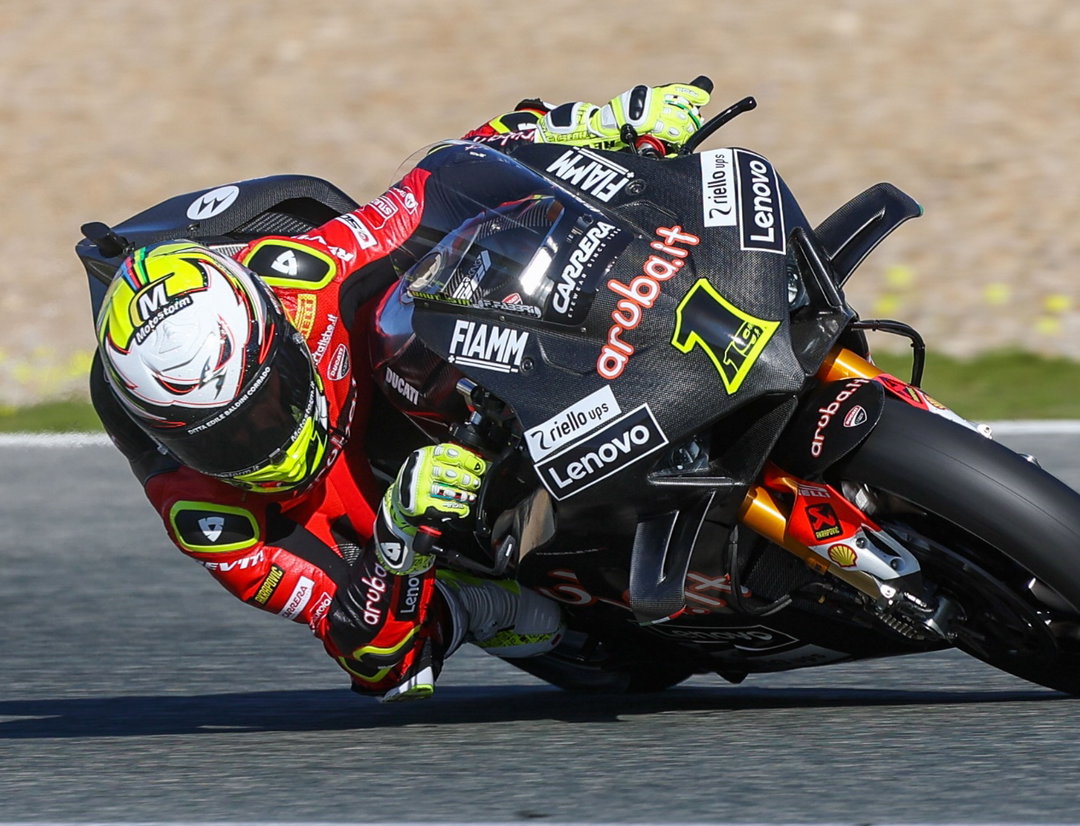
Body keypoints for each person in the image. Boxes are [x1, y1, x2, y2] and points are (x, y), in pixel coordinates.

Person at [89, 83, 713, 702]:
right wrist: (398, 534)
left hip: (454, 384)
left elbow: (440, 177)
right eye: (225, 441)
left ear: (282, 338)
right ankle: (491, 602)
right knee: (441, 643)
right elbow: (367, 657)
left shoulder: (304, 276)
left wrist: (601, 122)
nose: (261, 445)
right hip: (412, 540)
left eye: (266, 405)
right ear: (166, 434)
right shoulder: (214, 520)